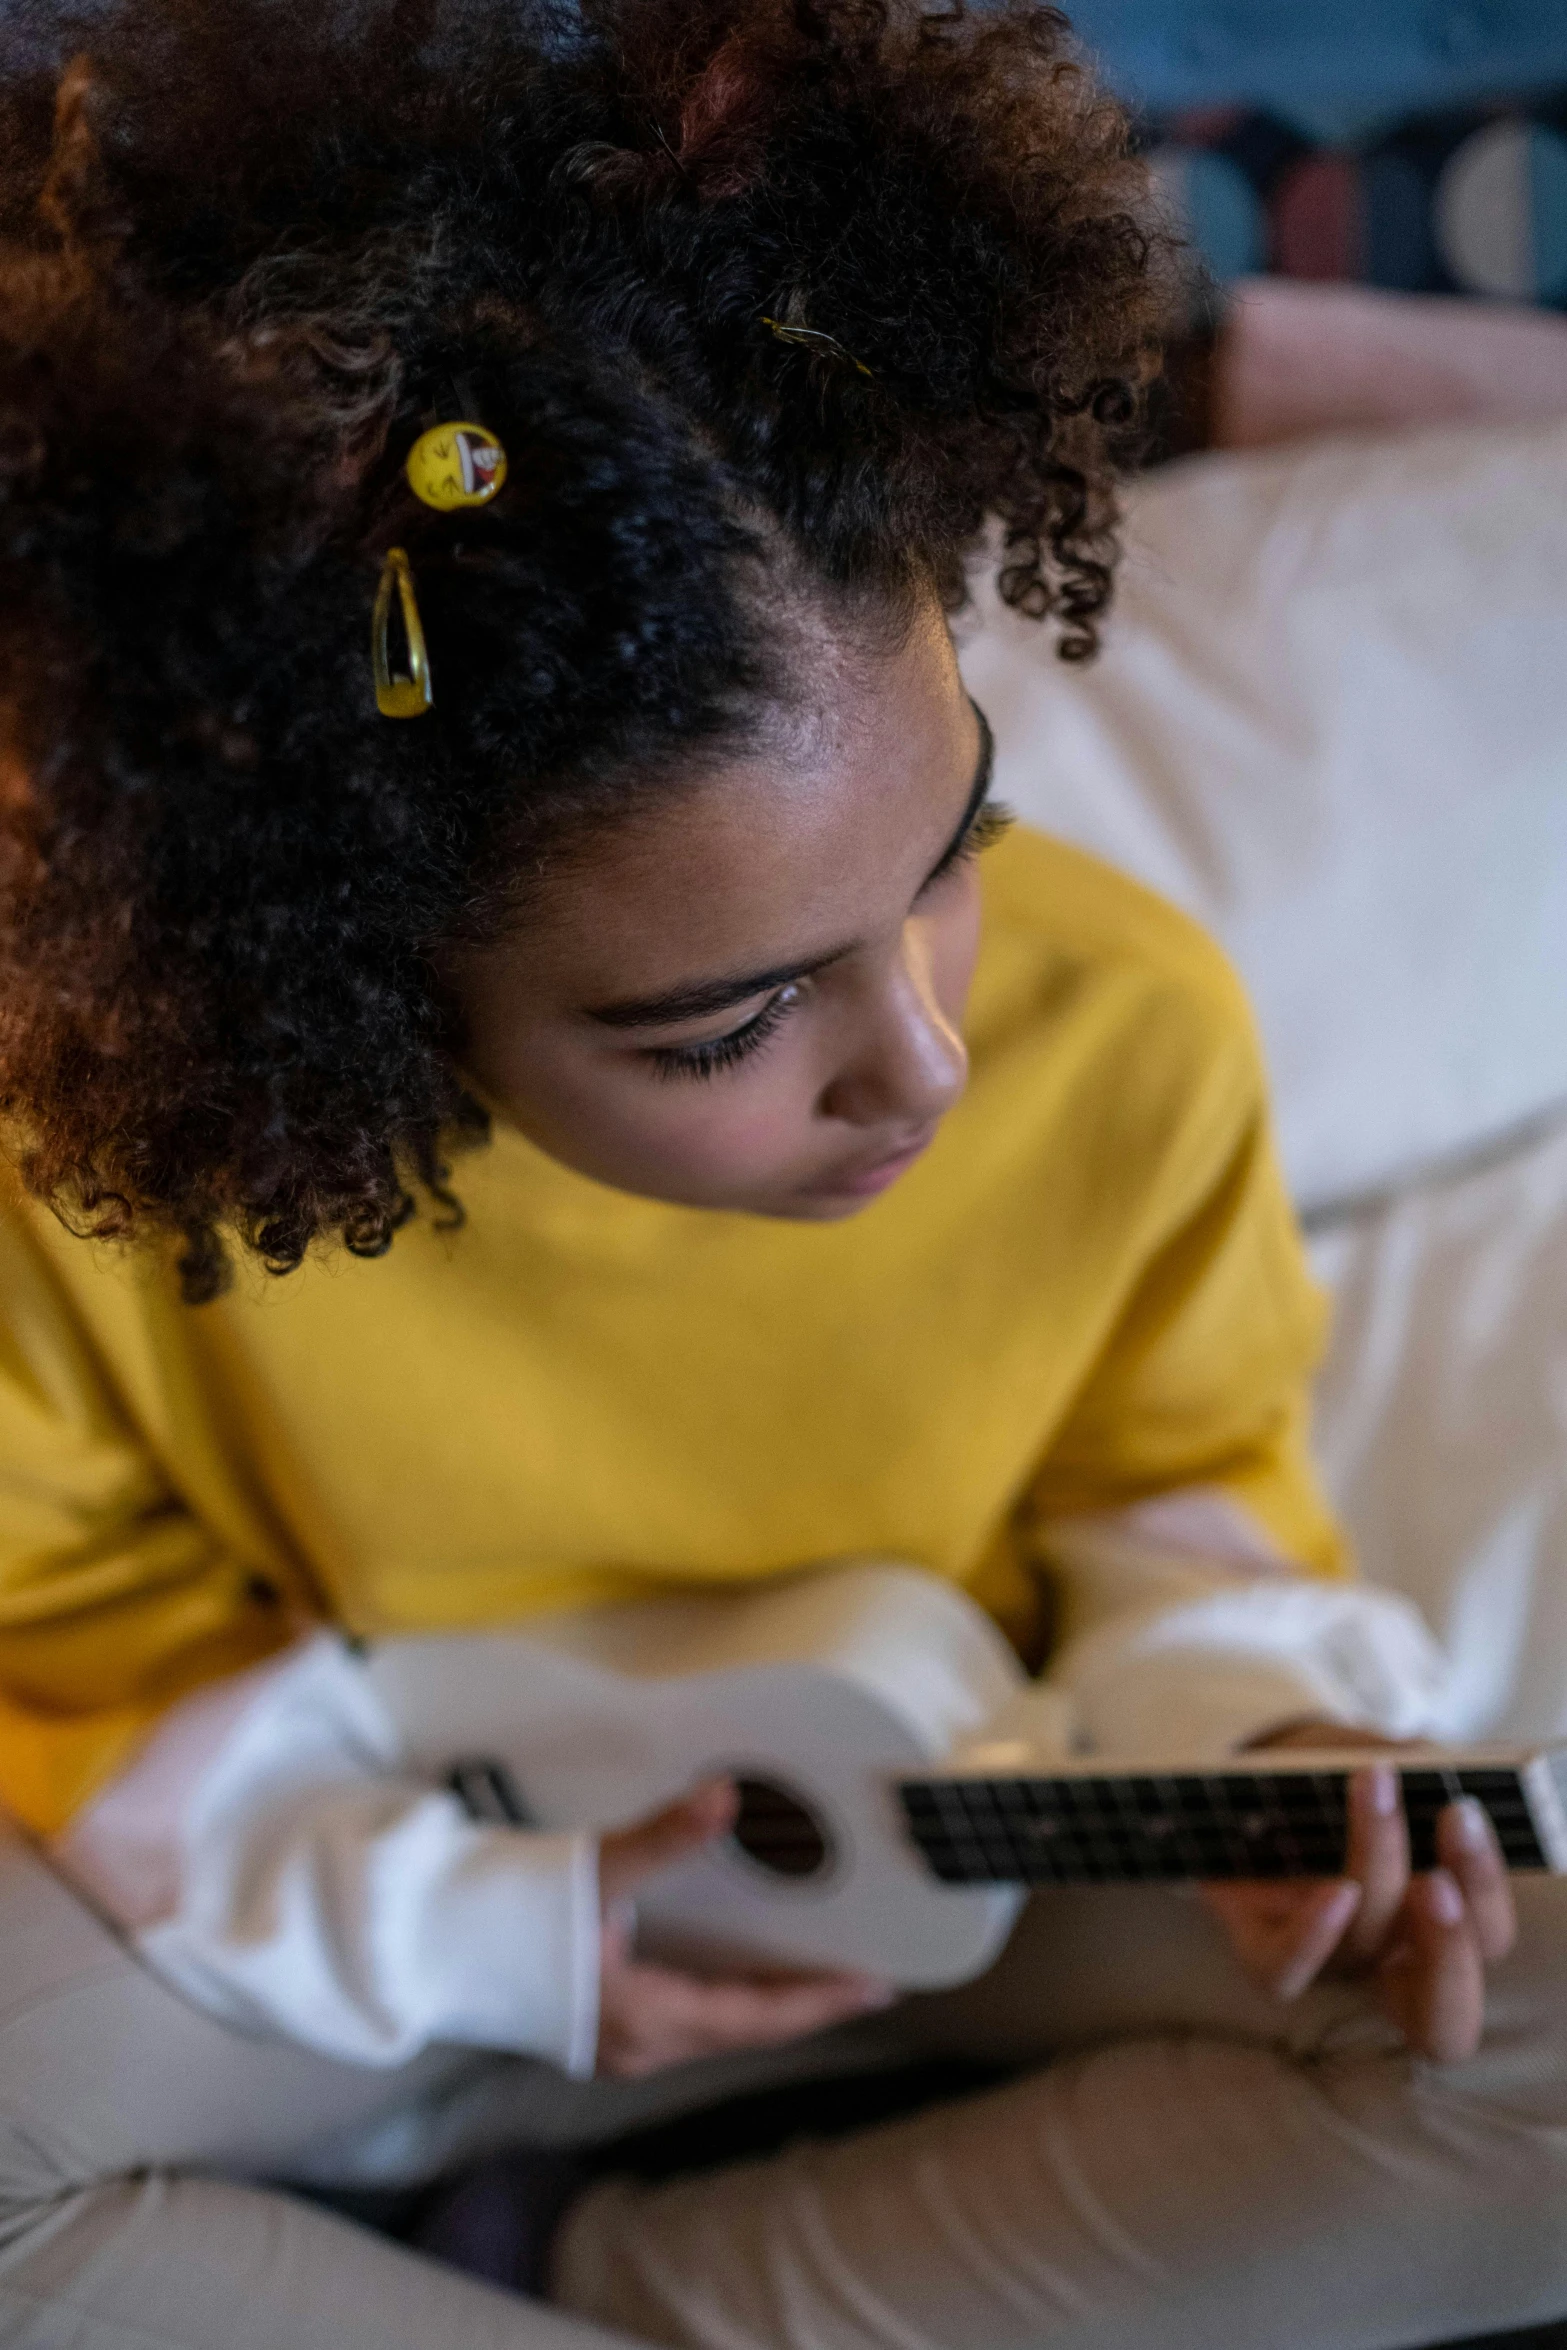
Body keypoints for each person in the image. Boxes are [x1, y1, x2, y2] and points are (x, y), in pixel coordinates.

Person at [0, 5, 1562, 2347]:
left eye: (958, 855)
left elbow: (1182, 1478)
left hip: (939, 1845)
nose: (924, 1060)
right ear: (358, 989)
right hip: (379, 1882)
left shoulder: (1120, 1035)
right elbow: (62, 1604)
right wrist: (466, 1923)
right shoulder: (113, 1168)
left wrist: (1275, 1741)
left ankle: (655, 2287)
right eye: (726, 1024)